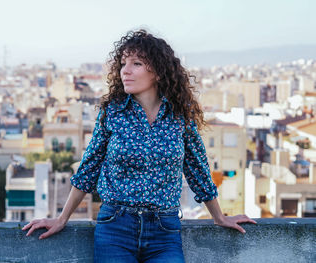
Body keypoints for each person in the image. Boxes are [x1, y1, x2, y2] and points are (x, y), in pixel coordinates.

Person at [22, 29, 256, 262]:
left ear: (157, 71)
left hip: (164, 231)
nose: (126, 70)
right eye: (123, 63)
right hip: (115, 227)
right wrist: (62, 219)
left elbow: (197, 169)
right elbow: (89, 168)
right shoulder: (113, 112)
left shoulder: (179, 116)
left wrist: (219, 217)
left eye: (136, 63)